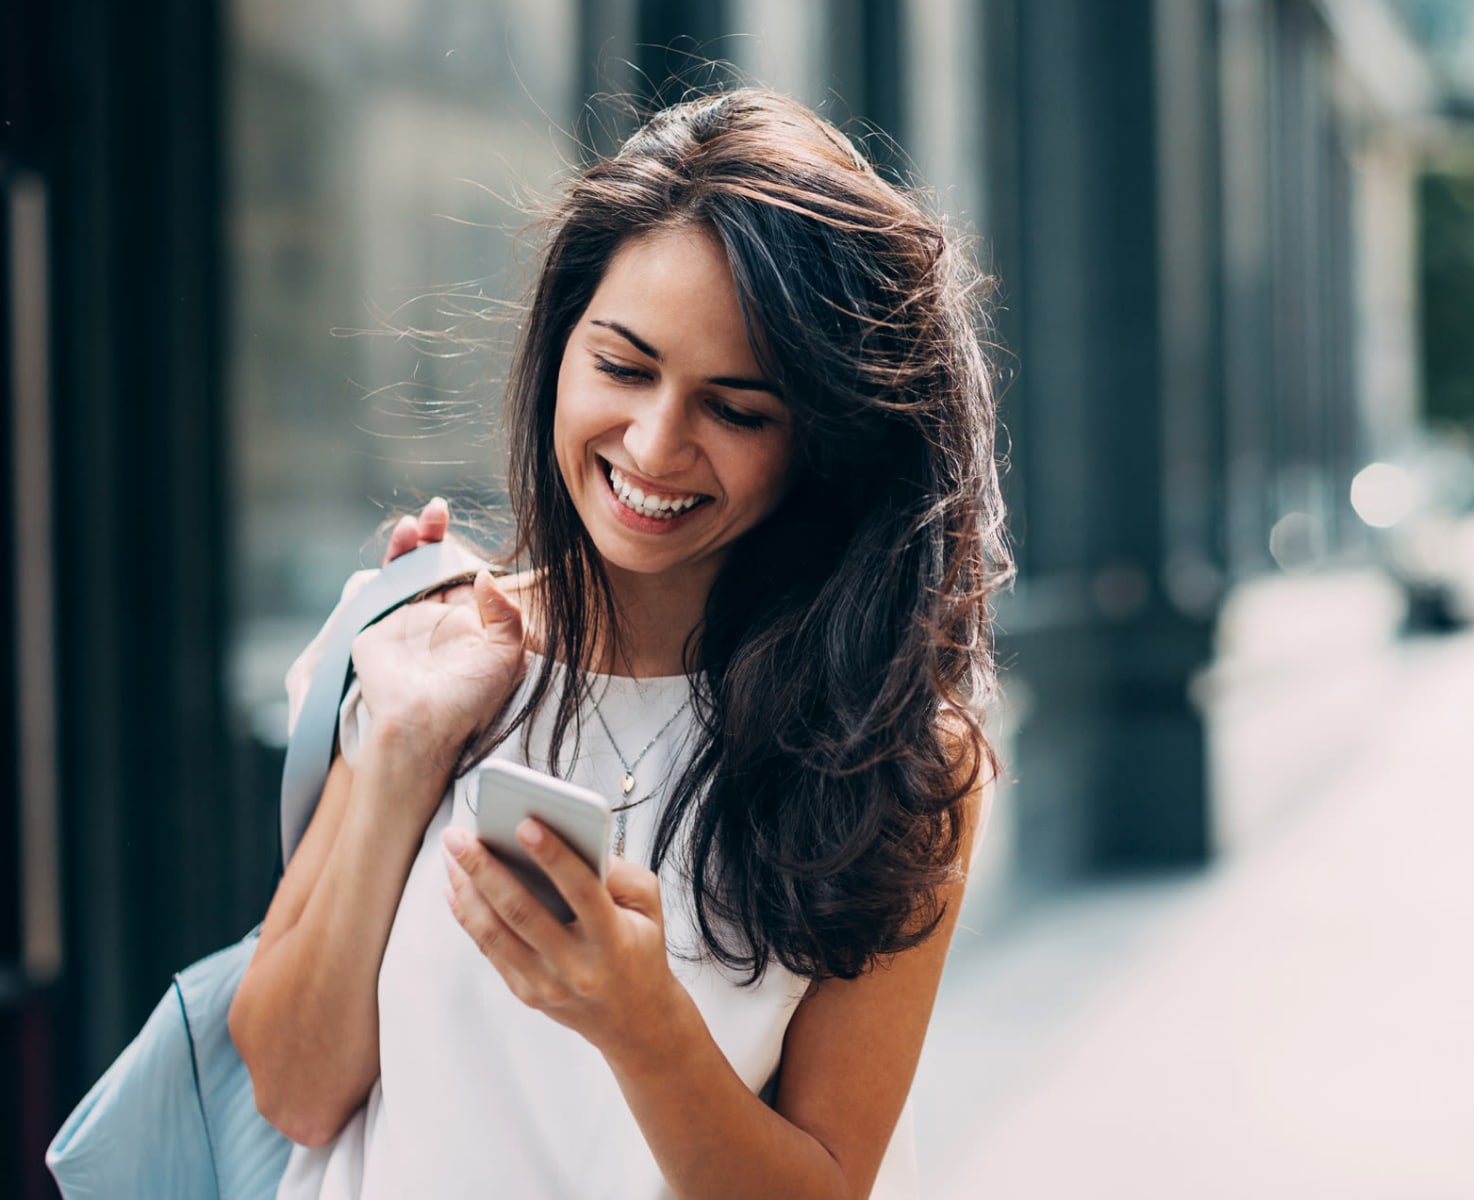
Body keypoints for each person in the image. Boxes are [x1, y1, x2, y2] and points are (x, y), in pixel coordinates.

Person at [227, 87, 1008, 1199]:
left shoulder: (898, 757)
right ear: (560, 346)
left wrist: (640, 1023)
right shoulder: (434, 647)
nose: (652, 444)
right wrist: (403, 746)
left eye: (735, 409)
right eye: (624, 367)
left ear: (822, 443)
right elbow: (294, 1091)